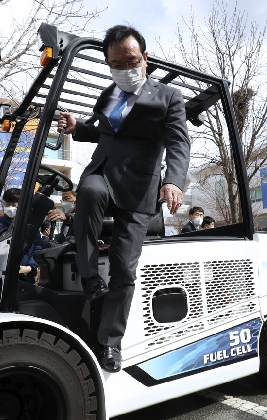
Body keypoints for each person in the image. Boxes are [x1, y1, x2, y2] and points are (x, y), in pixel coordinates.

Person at [58, 25, 190, 372]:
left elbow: (178, 143)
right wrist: (78, 128)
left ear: (144, 59)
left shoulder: (169, 97)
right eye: (116, 64)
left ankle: (110, 344)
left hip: (139, 187)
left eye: (130, 61)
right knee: (88, 190)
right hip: (102, 173)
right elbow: (99, 130)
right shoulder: (108, 95)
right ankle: (89, 280)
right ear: (109, 65)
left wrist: (174, 180)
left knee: (124, 270)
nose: (124, 69)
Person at [0, 188, 42, 283]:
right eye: (7, 205)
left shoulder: (30, 225)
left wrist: (30, 267)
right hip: (0, 275)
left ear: (21, 205)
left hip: (25, 275)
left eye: (13, 205)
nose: (10, 208)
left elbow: (37, 248)